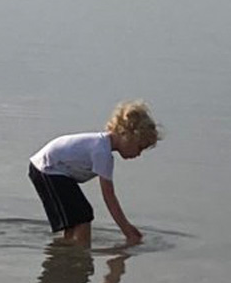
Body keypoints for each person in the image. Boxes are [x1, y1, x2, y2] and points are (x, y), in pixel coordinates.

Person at [28, 100, 160, 246]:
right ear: (126, 135)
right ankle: (78, 255)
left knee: (76, 219)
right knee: (83, 216)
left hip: (51, 169)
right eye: (139, 147)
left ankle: (68, 252)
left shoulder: (102, 147)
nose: (138, 154)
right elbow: (109, 197)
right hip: (47, 168)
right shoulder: (101, 152)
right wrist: (127, 229)